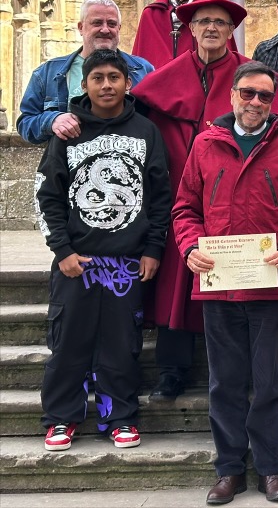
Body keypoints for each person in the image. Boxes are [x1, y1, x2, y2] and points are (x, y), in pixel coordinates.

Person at [133, 0, 278, 403]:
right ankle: (172, 370)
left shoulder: (251, 80)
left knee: (241, 287)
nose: (211, 28)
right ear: (190, 29)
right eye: (204, 21)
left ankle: (239, 374)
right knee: (179, 279)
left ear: (232, 31)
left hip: (245, 204)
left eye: (221, 23)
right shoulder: (166, 78)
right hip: (186, 199)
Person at [173, 61, 278, 506]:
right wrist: (188, 249)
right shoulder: (205, 145)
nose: (255, 102)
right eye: (248, 93)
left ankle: (271, 468)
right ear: (232, 97)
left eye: (264, 95)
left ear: (272, 101)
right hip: (218, 283)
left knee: (268, 382)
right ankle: (228, 469)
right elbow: (185, 209)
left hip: (270, 283)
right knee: (224, 382)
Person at [34, 49, 171, 452]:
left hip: (127, 262)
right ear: (85, 84)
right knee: (68, 341)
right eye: (98, 78)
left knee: (120, 344)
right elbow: (49, 197)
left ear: (128, 83)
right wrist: (62, 251)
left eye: (114, 77)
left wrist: (153, 249)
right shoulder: (68, 134)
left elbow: (160, 197)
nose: (107, 85)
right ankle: (61, 417)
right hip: (77, 260)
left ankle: (120, 416)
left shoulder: (146, 131)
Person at [18, 0, 154, 145]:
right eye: (97, 23)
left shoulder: (143, 70)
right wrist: (52, 120)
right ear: (81, 27)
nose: (105, 29)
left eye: (112, 24)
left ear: (119, 28)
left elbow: (158, 121)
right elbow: (25, 122)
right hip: (69, 165)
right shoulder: (48, 73)